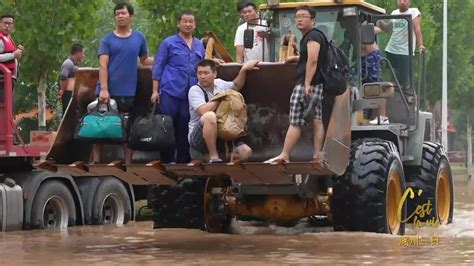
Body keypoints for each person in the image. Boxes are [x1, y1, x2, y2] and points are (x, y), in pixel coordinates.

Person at [152, 11, 223, 163]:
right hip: (170, 90)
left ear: (194, 24)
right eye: (185, 21)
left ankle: (184, 160)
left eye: (191, 21)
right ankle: (167, 160)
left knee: (185, 125)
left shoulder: (198, 44)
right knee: (167, 125)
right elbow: (158, 66)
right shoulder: (168, 43)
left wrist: (213, 61)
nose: (188, 24)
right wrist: (154, 90)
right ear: (178, 23)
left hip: (191, 94)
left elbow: (203, 64)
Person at [264, 6, 327, 164]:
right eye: (297, 16)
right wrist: (297, 59)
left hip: (307, 84)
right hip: (316, 84)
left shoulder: (312, 36)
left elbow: (313, 61)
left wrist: (306, 84)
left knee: (295, 121)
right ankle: (317, 155)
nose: (299, 19)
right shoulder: (312, 36)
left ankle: (284, 154)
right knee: (316, 119)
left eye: (304, 16)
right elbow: (310, 59)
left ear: (313, 20)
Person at [93, 2, 153, 164]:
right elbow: (103, 65)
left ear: (131, 16)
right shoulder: (107, 39)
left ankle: (128, 163)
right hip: (108, 90)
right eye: (117, 13)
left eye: (123, 13)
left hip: (129, 90)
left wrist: (164, 60)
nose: (120, 16)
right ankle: (96, 161)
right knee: (101, 123)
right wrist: (104, 89)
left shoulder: (139, 37)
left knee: (128, 127)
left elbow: (145, 60)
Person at [188, 59, 258, 163]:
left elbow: (236, 86)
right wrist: (221, 97)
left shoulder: (219, 84)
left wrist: (244, 69)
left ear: (214, 74)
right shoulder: (195, 90)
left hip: (221, 134)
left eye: (206, 73)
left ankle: (213, 160)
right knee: (210, 116)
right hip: (199, 139)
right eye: (199, 73)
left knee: (245, 152)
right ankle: (213, 157)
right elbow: (203, 111)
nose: (202, 77)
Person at [384, 0, 425, 101]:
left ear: (409, 2)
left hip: (405, 52)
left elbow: (417, 28)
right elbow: (387, 28)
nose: (402, 2)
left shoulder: (414, 12)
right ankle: (393, 105)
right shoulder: (394, 13)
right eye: (400, 0)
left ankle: (413, 108)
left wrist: (421, 45)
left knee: (406, 84)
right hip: (391, 50)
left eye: (405, 0)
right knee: (392, 81)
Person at [0, 14, 24, 111]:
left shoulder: (8, 38)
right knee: (4, 109)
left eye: (10, 24)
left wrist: (17, 52)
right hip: (2, 81)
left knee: (9, 109)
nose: (7, 26)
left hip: (10, 79)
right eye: (5, 23)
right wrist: (13, 55)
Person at [59, 44, 84, 115]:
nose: (83, 55)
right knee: (68, 115)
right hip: (69, 94)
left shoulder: (73, 64)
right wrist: (63, 90)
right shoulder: (68, 63)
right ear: (77, 53)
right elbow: (63, 76)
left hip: (73, 94)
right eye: (82, 53)